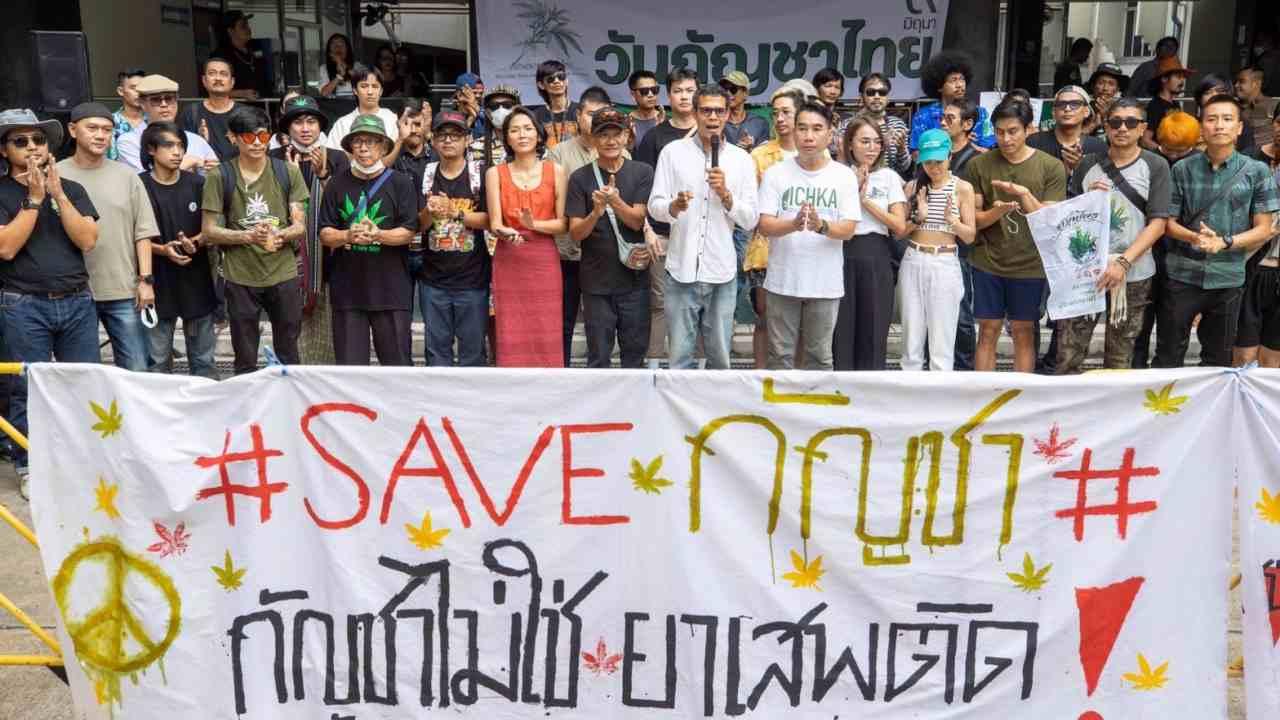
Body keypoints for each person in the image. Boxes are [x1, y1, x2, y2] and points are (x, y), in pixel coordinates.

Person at [0, 109, 99, 498]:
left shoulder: (71, 188)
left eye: (38, 140)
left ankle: (84, 463)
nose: (32, 147)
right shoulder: (3, 192)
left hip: (77, 301)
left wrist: (56, 194)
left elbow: (87, 239)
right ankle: (31, 465)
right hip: (24, 304)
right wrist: (35, 198)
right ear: (5, 150)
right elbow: (6, 248)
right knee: (27, 388)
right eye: (20, 141)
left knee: (83, 384)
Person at [1155, 94, 1279, 368]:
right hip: (1181, 275)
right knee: (1167, 356)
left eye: (1227, 119)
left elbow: (1264, 228)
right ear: (1202, 127)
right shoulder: (1182, 169)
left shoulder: (1257, 171)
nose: (1219, 125)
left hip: (1228, 278)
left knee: (1218, 361)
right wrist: (1194, 237)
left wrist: (1224, 242)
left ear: (1239, 128)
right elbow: (1167, 223)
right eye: (1211, 119)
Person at [647, 84, 759, 370]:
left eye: (719, 111)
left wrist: (727, 196)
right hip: (681, 269)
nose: (713, 117)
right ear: (695, 113)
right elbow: (654, 206)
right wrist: (674, 206)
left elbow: (750, 219)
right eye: (706, 110)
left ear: (728, 114)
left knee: (720, 359)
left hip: (721, 272)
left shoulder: (742, 160)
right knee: (679, 358)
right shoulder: (673, 153)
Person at [1057, 98, 1171, 373]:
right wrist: (1088, 199)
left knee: (1121, 356)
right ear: (1106, 127)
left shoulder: (1155, 165)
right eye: (1116, 122)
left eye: (1131, 122)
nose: (1122, 128)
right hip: (1087, 270)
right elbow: (1070, 217)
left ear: (1142, 128)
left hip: (1133, 271)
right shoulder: (1086, 165)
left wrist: (1123, 262)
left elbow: (1158, 223)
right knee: (1068, 352)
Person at [201, 106, 309, 374]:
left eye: (263, 136)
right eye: (249, 137)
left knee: (289, 351)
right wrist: (248, 236)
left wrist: (280, 234)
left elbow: (300, 225)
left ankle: (288, 397)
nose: (258, 143)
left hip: (283, 272)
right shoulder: (220, 175)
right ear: (233, 138)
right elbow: (209, 230)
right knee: (245, 354)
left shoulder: (287, 172)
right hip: (240, 275)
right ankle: (247, 399)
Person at [755, 102, 859, 370]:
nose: (808, 136)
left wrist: (821, 226)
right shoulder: (776, 173)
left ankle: (817, 401)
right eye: (802, 128)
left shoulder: (843, 176)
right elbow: (764, 225)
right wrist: (794, 224)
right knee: (779, 357)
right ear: (793, 131)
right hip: (782, 281)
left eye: (816, 129)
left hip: (825, 283)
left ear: (830, 134)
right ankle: (780, 401)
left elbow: (849, 229)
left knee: (820, 358)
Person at [966, 99, 1067, 373]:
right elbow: (974, 219)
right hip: (988, 261)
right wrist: (997, 212)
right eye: (999, 132)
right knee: (987, 329)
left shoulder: (1051, 166)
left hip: (1031, 263)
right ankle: (985, 392)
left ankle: (1023, 393)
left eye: (1013, 131)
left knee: (1023, 331)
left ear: (1028, 129)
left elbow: (1050, 221)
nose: (1006, 139)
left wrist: (1023, 194)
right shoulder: (979, 165)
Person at [57, 102, 158, 373]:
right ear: (73, 130)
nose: (101, 135)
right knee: (84, 374)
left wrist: (146, 281)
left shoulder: (127, 176)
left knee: (137, 369)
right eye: (92, 128)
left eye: (107, 130)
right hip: (73, 293)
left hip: (124, 289)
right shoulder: (55, 175)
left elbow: (143, 232)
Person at [317, 114, 418, 365]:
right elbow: (325, 233)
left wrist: (378, 235)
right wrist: (347, 235)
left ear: (384, 147)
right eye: (358, 141)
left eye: (371, 141)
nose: (364, 148)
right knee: (351, 369)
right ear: (350, 147)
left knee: (397, 366)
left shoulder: (401, 183)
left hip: (391, 290)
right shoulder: (336, 184)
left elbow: (408, 231)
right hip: (348, 291)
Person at [566, 108, 654, 368]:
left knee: (634, 357)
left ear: (627, 136)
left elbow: (637, 220)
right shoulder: (579, 178)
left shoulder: (642, 172)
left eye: (617, 134)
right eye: (603, 135)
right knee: (598, 358)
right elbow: (575, 234)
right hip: (596, 285)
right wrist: (596, 212)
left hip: (635, 282)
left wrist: (614, 201)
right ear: (593, 139)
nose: (611, 141)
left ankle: (634, 398)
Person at [269, 94, 350, 365]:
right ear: (287, 127)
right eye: (298, 122)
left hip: (327, 261)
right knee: (289, 332)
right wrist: (290, 177)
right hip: (284, 260)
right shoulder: (273, 159)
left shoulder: (337, 158)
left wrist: (324, 176)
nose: (305, 129)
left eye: (311, 122)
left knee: (327, 335)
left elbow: (345, 207)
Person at [486, 107, 569, 366]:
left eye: (527, 128)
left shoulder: (556, 171)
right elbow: (495, 223)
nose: (522, 135)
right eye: (514, 130)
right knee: (510, 327)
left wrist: (535, 225)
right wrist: (507, 232)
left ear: (538, 135)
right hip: (509, 257)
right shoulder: (495, 173)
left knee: (546, 326)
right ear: (506, 138)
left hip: (543, 258)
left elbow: (563, 224)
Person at [139, 121, 219, 378]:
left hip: (197, 279)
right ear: (151, 149)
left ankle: (207, 403)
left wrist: (195, 241)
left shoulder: (198, 183)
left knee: (204, 361)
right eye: (169, 145)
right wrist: (162, 249)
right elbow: (129, 236)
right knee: (157, 362)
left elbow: (213, 228)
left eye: (181, 146)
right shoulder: (138, 185)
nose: (177, 152)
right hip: (156, 282)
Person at [634, 68, 699, 367]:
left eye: (690, 90)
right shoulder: (654, 137)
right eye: (678, 91)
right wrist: (647, 229)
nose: (684, 96)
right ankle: (654, 366)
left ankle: (698, 367)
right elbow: (643, 189)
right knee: (660, 301)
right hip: (661, 233)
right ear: (669, 96)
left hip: (699, 235)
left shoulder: (710, 134)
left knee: (699, 300)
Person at [898, 129, 977, 371]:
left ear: (950, 156)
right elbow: (899, 232)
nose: (934, 167)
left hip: (944, 260)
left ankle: (940, 390)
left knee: (942, 339)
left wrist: (953, 221)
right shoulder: (913, 187)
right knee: (911, 337)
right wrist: (918, 218)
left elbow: (970, 235)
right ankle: (910, 386)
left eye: (939, 161)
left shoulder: (962, 188)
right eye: (928, 162)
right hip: (914, 257)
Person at [833, 116, 907, 370]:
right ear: (850, 144)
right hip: (840, 252)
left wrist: (866, 202)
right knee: (841, 330)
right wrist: (853, 189)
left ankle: (871, 388)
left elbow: (899, 226)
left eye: (877, 142)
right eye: (865, 141)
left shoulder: (889, 177)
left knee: (874, 329)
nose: (872, 148)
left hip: (876, 252)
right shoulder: (836, 175)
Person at [418, 110, 491, 366]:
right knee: (436, 354)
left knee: (473, 354)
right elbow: (417, 226)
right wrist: (430, 211)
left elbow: (492, 220)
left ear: (468, 139)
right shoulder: (425, 174)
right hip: (433, 280)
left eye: (456, 135)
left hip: (473, 279)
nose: (448, 140)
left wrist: (455, 213)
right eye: (442, 135)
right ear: (433, 140)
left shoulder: (481, 174)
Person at [547, 87, 614, 366]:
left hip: (605, 256)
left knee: (601, 325)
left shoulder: (617, 152)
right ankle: (561, 374)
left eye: (602, 115)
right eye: (590, 114)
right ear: (578, 115)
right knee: (563, 321)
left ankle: (599, 376)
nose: (595, 120)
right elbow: (554, 201)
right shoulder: (558, 154)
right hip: (568, 253)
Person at [1132, 110, 1202, 368]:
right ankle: (1136, 369)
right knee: (1138, 324)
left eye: (1181, 151)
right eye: (1168, 149)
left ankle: (1167, 373)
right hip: (1146, 248)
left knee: (1173, 327)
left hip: (1182, 252)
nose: (1173, 155)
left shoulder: (1199, 164)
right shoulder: (1148, 160)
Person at [745, 88, 804, 368]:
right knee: (765, 317)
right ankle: (760, 379)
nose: (779, 118)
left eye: (786, 112)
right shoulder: (759, 155)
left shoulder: (816, 155)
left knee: (802, 321)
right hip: (765, 248)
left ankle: (798, 382)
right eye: (775, 113)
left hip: (804, 247)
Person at [1236, 101, 1280, 367]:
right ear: (1273, 123)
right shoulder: (1249, 161)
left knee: (1273, 360)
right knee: (1243, 356)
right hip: (1251, 266)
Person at [116, 75, 218, 173]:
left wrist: (214, 172)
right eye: (156, 100)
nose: (164, 104)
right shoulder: (129, 141)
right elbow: (141, 180)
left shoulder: (196, 141)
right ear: (142, 103)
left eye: (169, 99)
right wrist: (188, 163)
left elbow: (216, 176)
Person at [911, 51, 996, 155]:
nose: (959, 85)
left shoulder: (980, 113)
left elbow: (989, 152)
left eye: (962, 79)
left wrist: (965, 144)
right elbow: (916, 155)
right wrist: (948, 142)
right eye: (953, 80)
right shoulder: (923, 116)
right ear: (939, 86)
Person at [844, 73, 911, 178]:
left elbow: (904, 167)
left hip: (889, 183)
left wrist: (901, 149)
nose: (877, 96)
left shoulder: (897, 124)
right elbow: (842, 164)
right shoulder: (848, 125)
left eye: (882, 92)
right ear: (861, 97)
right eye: (871, 92)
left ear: (888, 98)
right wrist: (882, 145)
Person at [328, 65, 400, 152]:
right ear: (355, 90)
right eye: (364, 86)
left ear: (381, 91)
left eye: (375, 86)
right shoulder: (342, 123)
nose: (370, 92)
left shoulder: (393, 119)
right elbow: (332, 155)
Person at [181, 58, 240, 160]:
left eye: (224, 74)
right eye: (212, 73)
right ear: (204, 80)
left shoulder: (245, 113)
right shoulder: (191, 112)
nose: (218, 78)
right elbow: (184, 149)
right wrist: (200, 141)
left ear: (232, 82)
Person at [213, 10, 270, 100]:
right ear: (231, 31)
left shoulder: (255, 46)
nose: (248, 29)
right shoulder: (221, 55)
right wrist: (242, 93)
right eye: (243, 26)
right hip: (238, 107)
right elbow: (215, 89)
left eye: (247, 25)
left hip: (264, 104)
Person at [1141, 56, 1192, 151]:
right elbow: (1145, 140)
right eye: (1178, 77)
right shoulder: (1155, 106)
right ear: (1164, 78)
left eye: (1183, 77)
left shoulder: (1176, 104)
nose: (1182, 81)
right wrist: (1164, 152)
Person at [1195, 74, 1256, 152]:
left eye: (1220, 91)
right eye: (1208, 92)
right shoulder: (1191, 123)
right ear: (1200, 98)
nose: (1214, 95)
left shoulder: (1240, 124)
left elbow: (1248, 152)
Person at [389, 103, 437, 191]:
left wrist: (429, 133)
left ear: (426, 124)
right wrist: (400, 139)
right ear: (399, 124)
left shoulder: (437, 154)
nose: (413, 130)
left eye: (418, 124)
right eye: (406, 124)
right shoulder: (391, 156)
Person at [533, 60, 578, 148]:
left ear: (566, 81)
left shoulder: (581, 110)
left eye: (561, 77)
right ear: (541, 85)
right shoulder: (535, 115)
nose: (557, 81)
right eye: (550, 79)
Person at [720, 71, 769, 151]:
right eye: (724, 89)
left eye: (733, 89)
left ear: (745, 93)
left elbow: (764, 155)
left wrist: (751, 149)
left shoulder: (759, 123)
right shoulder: (717, 121)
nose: (728, 93)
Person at [475, 85, 520, 168]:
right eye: (494, 106)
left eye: (507, 105)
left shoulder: (530, 144)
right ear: (487, 113)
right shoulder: (476, 147)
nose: (501, 110)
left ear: (517, 109)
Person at [108, 68, 147, 162]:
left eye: (142, 88)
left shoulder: (154, 119)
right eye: (133, 88)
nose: (139, 93)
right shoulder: (110, 122)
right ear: (120, 91)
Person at [1236, 65, 1275, 149]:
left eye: (1242, 81)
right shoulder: (1236, 109)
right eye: (1236, 82)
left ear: (1256, 84)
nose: (1236, 85)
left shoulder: (1275, 106)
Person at [1086, 63, 1130, 136]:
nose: (1105, 88)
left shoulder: (1124, 110)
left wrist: (1106, 116)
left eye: (1111, 84)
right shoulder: (1083, 107)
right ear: (1093, 86)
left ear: (1117, 89)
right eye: (1101, 83)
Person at [627, 70, 665, 148]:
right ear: (633, 95)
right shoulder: (625, 123)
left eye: (654, 90)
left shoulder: (666, 121)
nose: (650, 95)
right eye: (644, 91)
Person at [318, 33, 355, 97]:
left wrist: (341, 63)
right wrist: (339, 77)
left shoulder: (357, 66)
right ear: (330, 51)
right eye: (334, 44)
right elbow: (324, 93)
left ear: (347, 49)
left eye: (341, 44)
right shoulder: (324, 68)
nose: (337, 47)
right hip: (335, 103)